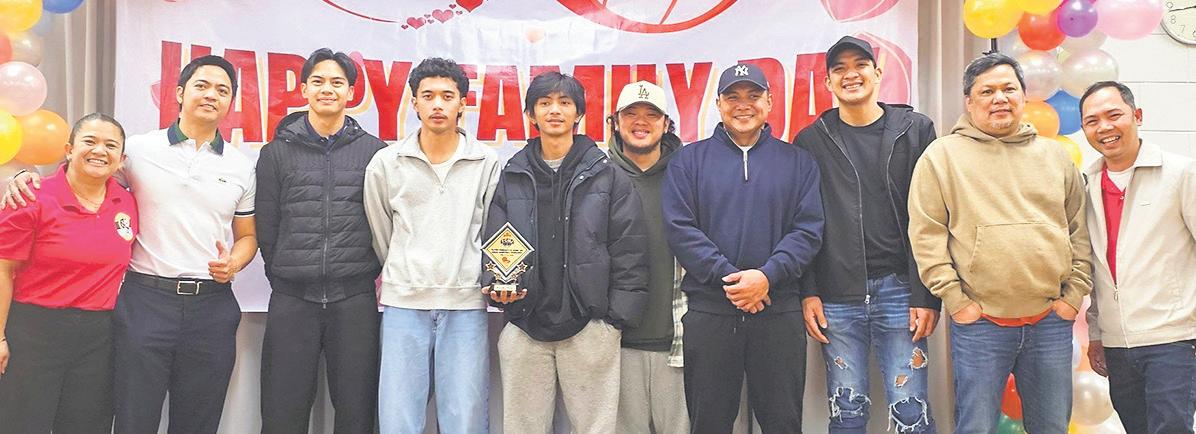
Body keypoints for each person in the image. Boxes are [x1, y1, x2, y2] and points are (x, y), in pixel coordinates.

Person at [2, 55, 258, 434]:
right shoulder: (138, 150)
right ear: (179, 93)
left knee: (199, 420)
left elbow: (248, 236)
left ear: (231, 102)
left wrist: (234, 262)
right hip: (145, 301)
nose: (211, 95)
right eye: (201, 85)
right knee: (133, 418)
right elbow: (85, 170)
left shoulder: (241, 165)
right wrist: (25, 176)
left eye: (222, 90)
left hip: (211, 304)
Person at [907, 53, 1091, 434]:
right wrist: (957, 302)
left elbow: (1080, 230)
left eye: (1009, 89)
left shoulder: (1055, 156)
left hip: (1050, 323)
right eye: (987, 91)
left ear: (1023, 96)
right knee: (975, 427)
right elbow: (926, 236)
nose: (999, 98)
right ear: (969, 101)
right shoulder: (941, 158)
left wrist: (1073, 297)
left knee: (1052, 427)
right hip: (980, 325)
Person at [482, 71, 648, 433]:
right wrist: (496, 284)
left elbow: (630, 250)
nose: (554, 110)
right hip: (525, 324)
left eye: (564, 102)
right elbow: (496, 243)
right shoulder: (513, 174)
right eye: (544, 103)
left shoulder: (607, 175)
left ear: (579, 114)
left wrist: (612, 320)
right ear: (530, 114)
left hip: (590, 326)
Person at [662, 63, 824, 433]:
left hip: (778, 312)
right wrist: (734, 281)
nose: (743, 104)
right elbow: (680, 229)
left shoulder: (798, 162)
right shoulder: (688, 161)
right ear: (718, 104)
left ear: (770, 102)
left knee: (782, 424)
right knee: (709, 424)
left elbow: (808, 230)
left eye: (753, 95)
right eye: (732, 97)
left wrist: (767, 277)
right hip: (711, 312)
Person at [794, 36, 939, 433]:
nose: (850, 74)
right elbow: (802, 222)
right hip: (836, 297)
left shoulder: (915, 130)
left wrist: (926, 294)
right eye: (839, 69)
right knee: (847, 414)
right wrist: (809, 290)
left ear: (877, 73)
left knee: (911, 414)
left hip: (902, 292)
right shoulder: (811, 141)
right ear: (828, 82)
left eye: (860, 65)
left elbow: (933, 217)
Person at [364, 57, 500, 433]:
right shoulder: (386, 163)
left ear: (463, 104)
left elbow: (491, 231)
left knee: (465, 418)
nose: (437, 104)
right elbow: (381, 233)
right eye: (428, 96)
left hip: (465, 304)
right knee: (398, 417)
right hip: (403, 304)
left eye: (447, 96)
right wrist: (405, 273)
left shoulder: (486, 162)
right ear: (414, 103)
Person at [255, 48, 385, 434]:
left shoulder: (376, 153)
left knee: (358, 410)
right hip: (293, 300)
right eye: (318, 81)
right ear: (304, 89)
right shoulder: (276, 153)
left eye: (337, 82)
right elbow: (267, 226)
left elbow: (383, 222)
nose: (327, 89)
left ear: (351, 92)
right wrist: (287, 275)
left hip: (354, 300)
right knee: (283, 410)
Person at [0, 114, 135, 434]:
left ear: (121, 160)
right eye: (90, 141)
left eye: (110, 145)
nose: (99, 151)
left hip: (99, 338)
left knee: (87, 425)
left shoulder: (127, 202)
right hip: (34, 332)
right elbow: (3, 269)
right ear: (69, 149)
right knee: (22, 424)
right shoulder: (30, 197)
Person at [1079, 81, 1196, 434]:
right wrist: (1097, 333)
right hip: (1116, 345)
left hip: (1173, 339)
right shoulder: (1086, 186)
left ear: (1137, 116)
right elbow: (1096, 270)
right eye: (1092, 121)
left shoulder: (1180, 174)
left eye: (1114, 115)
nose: (1104, 127)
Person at [606, 80, 689, 434]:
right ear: (615, 121)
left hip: (678, 341)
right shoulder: (596, 175)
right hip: (615, 343)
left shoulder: (688, 174)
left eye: (651, 114)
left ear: (666, 124)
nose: (641, 122)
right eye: (631, 114)